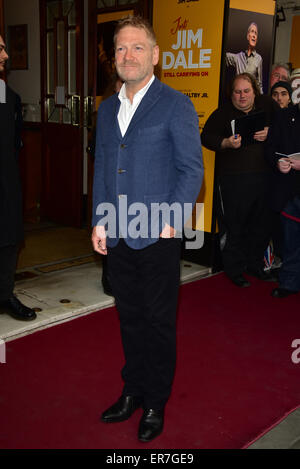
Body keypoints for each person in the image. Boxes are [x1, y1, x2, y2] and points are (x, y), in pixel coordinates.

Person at [91, 16, 203, 442]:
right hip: (118, 235)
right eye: (121, 48)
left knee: (158, 322)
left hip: (158, 235)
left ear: (155, 55)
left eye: (138, 47)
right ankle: (133, 389)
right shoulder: (105, 108)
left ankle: (156, 400)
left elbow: (191, 170)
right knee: (129, 318)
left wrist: (172, 221)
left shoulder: (175, 104)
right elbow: (103, 168)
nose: (128, 55)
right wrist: (99, 221)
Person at [201, 72, 276, 288]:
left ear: (254, 91)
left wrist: (271, 132)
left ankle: (255, 265)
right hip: (233, 181)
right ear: (231, 94)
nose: (242, 96)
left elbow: (286, 130)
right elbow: (206, 137)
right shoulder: (222, 113)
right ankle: (235, 270)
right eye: (237, 92)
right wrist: (225, 142)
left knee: (260, 226)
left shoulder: (268, 107)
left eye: (246, 91)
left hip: (263, 178)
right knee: (234, 227)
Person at [0, 35, 36, 321]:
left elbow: (13, 141)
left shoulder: (7, 95)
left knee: (9, 239)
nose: (6, 55)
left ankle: (4, 294)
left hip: (6, 181)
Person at [265, 104, 300, 298]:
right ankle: (289, 282)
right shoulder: (283, 115)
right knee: (291, 241)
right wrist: (278, 162)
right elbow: (270, 149)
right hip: (289, 192)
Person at [226, 22, 263, 93]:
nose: (254, 35)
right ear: (247, 36)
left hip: (250, 97)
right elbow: (222, 55)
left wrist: (260, 100)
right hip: (237, 94)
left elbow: (259, 84)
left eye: (256, 33)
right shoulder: (238, 57)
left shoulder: (258, 58)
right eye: (252, 32)